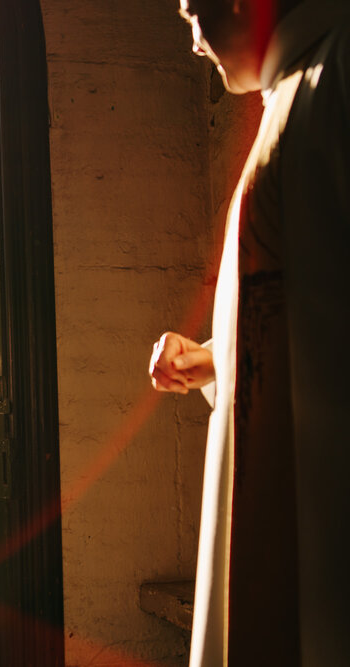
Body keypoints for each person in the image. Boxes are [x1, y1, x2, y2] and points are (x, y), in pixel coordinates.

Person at [149, 1, 350, 664]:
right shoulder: (294, 90)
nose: (195, 39)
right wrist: (218, 359)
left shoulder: (335, 75)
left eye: (192, 10)